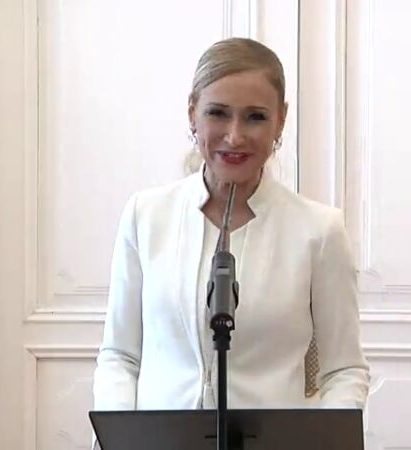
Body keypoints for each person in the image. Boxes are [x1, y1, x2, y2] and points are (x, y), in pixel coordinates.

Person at [93, 38, 369, 418]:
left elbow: (344, 371)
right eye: (218, 113)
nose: (235, 135)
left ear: (281, 120)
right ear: (192, 113)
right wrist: (119, 435)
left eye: (255, 117)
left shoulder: (320, 231)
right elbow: (120, 355)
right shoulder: (146, 215)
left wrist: (324, 439)